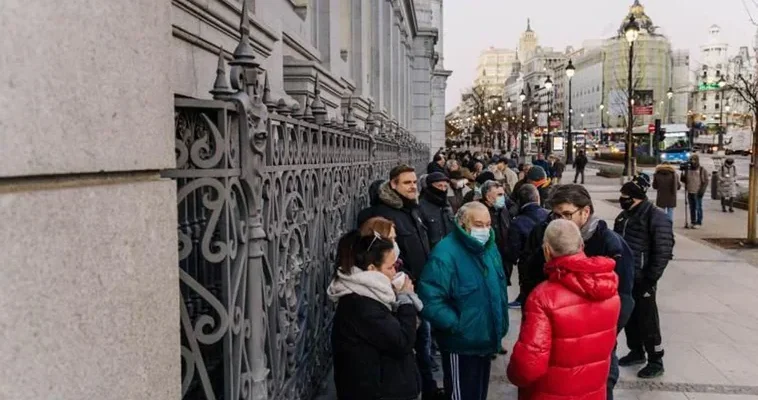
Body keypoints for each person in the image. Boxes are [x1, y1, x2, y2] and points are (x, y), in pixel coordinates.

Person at [518, 184, 635, 400]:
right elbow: (529, 280)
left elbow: (626, 297)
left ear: (586, 212)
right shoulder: (547, 236)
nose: (560, 220)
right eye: (556, 214)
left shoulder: (611, 244)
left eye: (567, 214)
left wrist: (601, 333)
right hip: (555, 346)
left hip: (597, 347)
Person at [507, 219, 620, 400]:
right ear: (581, 245)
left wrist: (513, 374)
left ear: (547, 250)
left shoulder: (542, 297)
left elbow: (529, 364)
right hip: (593, 391)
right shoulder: (609, 287)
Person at [357, 164, 441, 399]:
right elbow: (384, 260)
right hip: (398, 294)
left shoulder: (412, 209)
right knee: (413, 348)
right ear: (393, 184)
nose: (413, 186)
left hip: (416, 290)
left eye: (414, 181)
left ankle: (428, 388)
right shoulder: (381, 216)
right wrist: (404, 284)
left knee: (422, 345)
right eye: (407, 182)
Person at [418, 202, 509, 400]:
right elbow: (429, 298)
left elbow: (498, 290)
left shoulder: (489, 248)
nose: (484, 229)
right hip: (461, 344)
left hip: (486, 339)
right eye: (478, 224)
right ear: (463, 224)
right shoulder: (445, 254)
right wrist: (456, 324)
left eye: (487, 224)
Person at [329, 231, 423, 400]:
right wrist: (405, 300)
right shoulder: (362, 304)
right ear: (372, 269)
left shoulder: (372, 294)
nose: (395, 272)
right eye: (390, 267)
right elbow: (402, 341)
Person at [614, 176, 674, 379]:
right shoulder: (624, 216)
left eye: (625, 197)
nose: (622, 200)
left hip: (644, 278)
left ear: (636, 197)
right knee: (630, 317)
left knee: (648, 320)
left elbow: (663, 250)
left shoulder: (656, 217)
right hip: (625, 277)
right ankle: (636, 351)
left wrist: (651, 279)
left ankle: (656, 359)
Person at [505, 184, 549, 305]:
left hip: (528, 272)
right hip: (550, 267)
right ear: (538, 198)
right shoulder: (549, 215)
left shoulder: (517, 222)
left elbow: (512, 253)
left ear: (519, 201)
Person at [479, 180, 514, 286]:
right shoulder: (480, 212)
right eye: (499, 195)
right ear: (488, 197)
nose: (503, 198)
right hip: (488, 261)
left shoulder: (503, 210)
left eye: (503, 194)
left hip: (504, 260)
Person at [419, 172, 455, 249]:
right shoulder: (421, 207)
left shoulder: (447, 204)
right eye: (439, 186)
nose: (443, 189)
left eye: (445, 186)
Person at [681, 154, 709, 228]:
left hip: (697, 192)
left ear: (697, 160)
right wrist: (683, 173)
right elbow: (684, 180)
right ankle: (693, 221)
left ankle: (699, 222)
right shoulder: (688, 169)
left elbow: (706, 181)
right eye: (691, 160)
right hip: (690, 191)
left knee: (698, 207)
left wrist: (702, 191)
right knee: (692, 208)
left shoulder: (702, 170)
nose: (692, 161)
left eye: (694, 160)